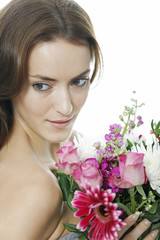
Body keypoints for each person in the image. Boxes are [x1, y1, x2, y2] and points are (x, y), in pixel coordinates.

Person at [0, 0, 158, 239]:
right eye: (42, 85)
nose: (66, 107)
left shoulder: (72, 148)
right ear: (6, 79)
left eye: (78, 81)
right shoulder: (35, 190)